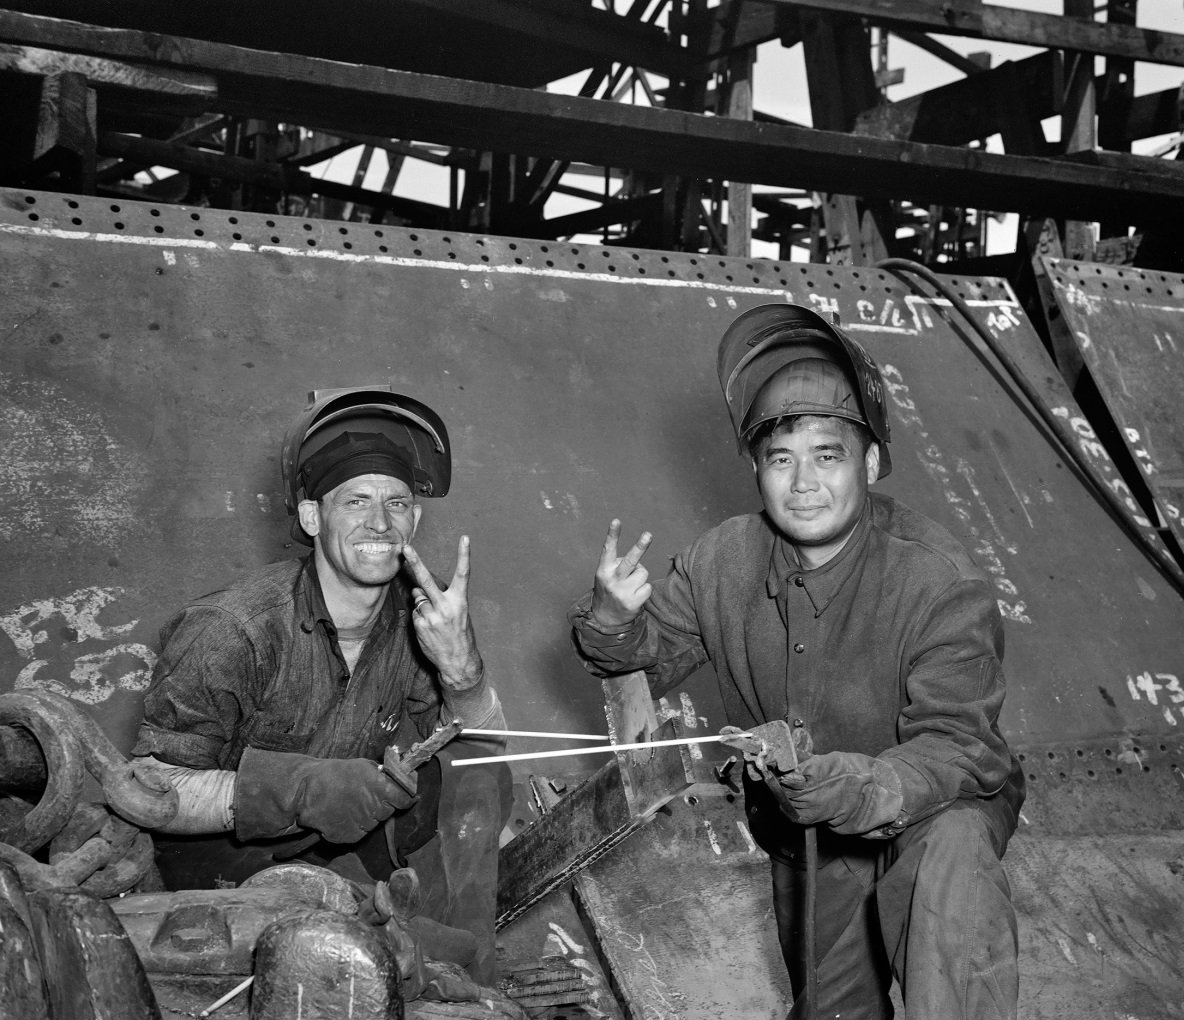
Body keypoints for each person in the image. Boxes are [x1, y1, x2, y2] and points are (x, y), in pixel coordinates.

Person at [568, 305, 1025, 1020]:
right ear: (756, 468)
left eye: (828, 455)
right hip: (808, 842)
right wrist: (612, 623)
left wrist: (858, 784)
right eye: (781, 459)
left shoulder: (940, 580)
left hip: (928, 812)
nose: (802, 482)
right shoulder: (722, 560)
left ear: (870, 462)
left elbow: (960, 747)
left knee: (953, 855)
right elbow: (642, 664)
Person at [132, 385, 513, 990]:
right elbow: (148, 792)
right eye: (355, 500)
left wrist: (462, 667)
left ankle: (470, 968)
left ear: (415, 519)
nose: (379, 523)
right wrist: (299, 791)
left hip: (353, 838)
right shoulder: (232, 631)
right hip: (232, 857)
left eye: (398, 503)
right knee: (387, 971)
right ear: (312, 517)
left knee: (482, 793)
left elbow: (486, 747)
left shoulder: (424, 610)